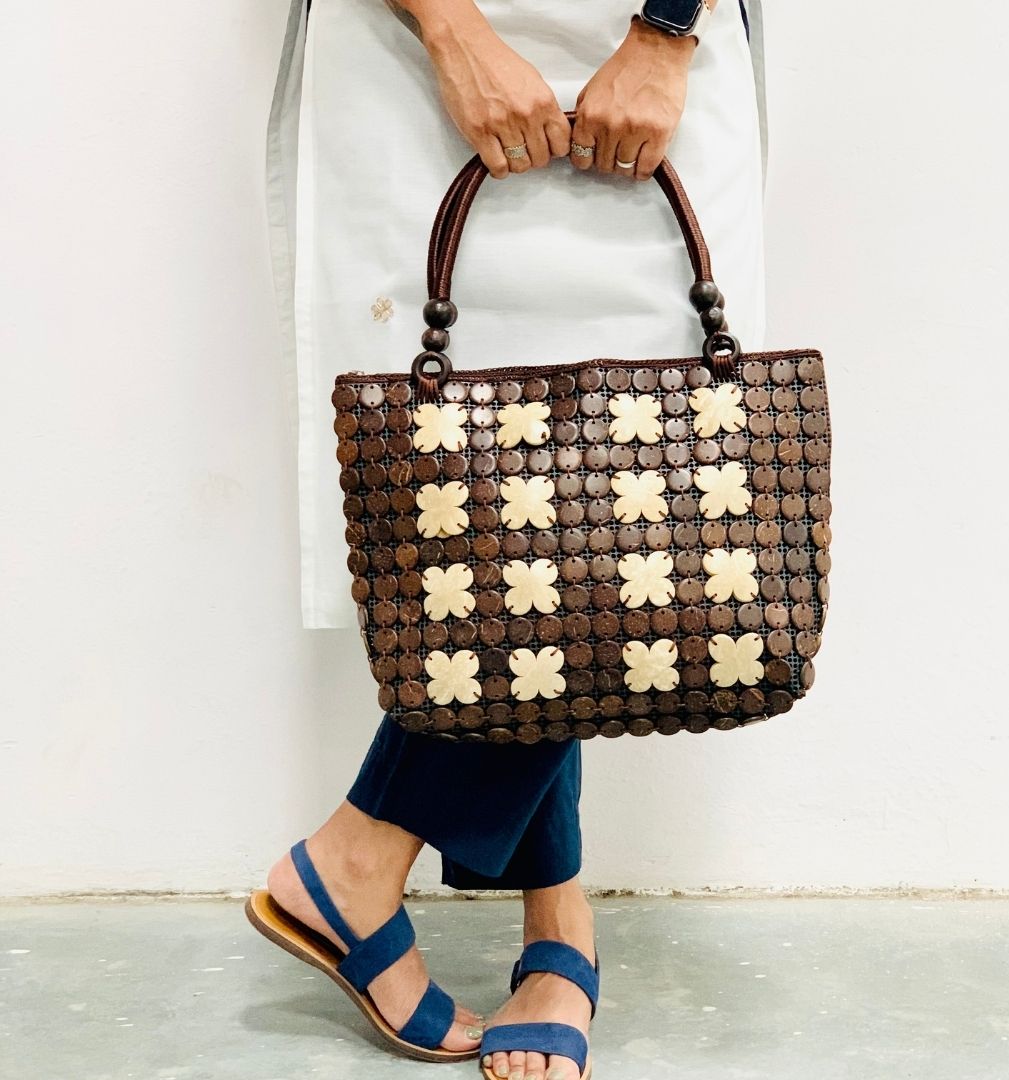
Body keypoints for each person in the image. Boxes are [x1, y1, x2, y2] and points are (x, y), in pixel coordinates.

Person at [255, 2, 768, 1079]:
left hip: (657, 52)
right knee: (489, 499)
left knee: (618, 504)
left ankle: (361, 860)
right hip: (410, 54)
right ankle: (553, 922)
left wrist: (668, 30)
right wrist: (451, 29)